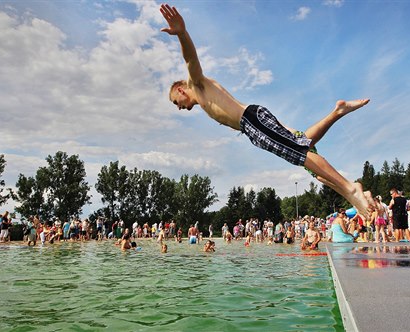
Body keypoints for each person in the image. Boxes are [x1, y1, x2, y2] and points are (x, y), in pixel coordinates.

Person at [159, 4, 374, 218]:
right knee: (301, 142)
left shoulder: (197, 84)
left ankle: (350, 188)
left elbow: (190, 59)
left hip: (251, 120)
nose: (178, 107)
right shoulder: (202, 93)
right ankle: (337, 112)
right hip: (252, 123)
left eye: (175, 101)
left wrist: (182, 34)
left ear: (180, 90)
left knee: (298, 152)